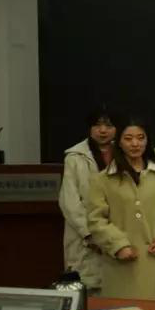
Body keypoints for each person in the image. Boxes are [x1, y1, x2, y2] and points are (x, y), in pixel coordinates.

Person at [86, 116, 155, 301]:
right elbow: (96, 219)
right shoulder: (102, 179)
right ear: (118, 141)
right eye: (128, 138)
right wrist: (118, 245)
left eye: (140, 138)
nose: (135, 144)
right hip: (121, 264)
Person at [60, 106, 117, 293]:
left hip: (115, 234)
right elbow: (69, 201)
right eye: (97, 125)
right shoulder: (75, 157)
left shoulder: (124, 153)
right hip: (84, 236)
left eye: (108, 125)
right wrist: (89, 233)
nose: (103, 130)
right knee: (87, 288)